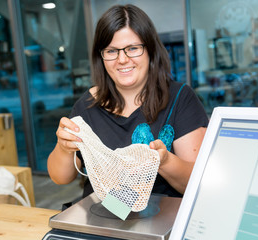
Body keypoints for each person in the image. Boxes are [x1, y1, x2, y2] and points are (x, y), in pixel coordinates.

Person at [47, 4, 208, 199]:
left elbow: (199, 183)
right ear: (101, 57)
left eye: (132, 48)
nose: (122, 59)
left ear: (150, 50)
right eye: (112, 51)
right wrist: (63, 148)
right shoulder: (86, 106)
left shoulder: (180, 98)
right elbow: (60, 178)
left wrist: (164, 161)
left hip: (162, 220)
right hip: (101, 218)